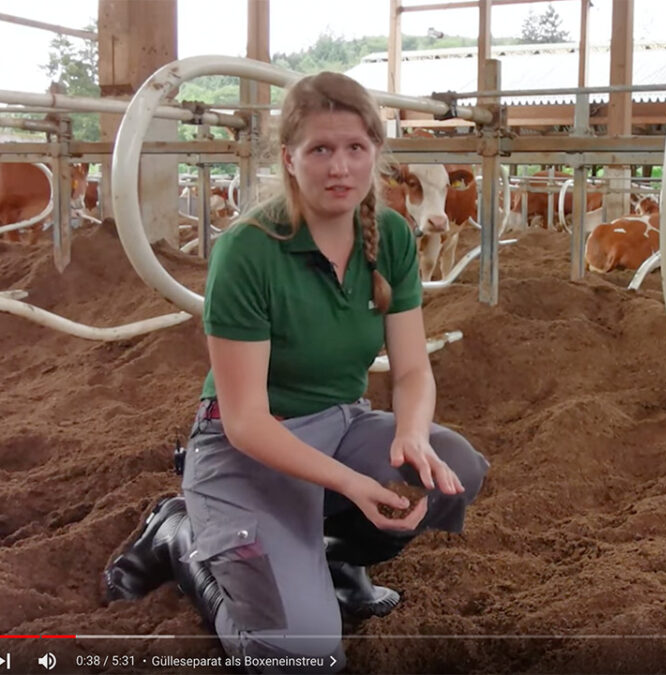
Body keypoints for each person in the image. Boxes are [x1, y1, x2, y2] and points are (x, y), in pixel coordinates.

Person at [102, 71, 490, 673]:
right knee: (302, 656)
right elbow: (247, 421)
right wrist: (350, 482)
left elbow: (412, 370)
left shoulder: (389, 235)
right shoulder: (248, 250)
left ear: (376, 156)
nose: (340, 168)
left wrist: (411, 435)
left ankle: (328, 558)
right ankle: (180, 540)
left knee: (451, 469)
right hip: (249, 447)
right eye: (321, 150)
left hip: (340, 422)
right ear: (289, 158)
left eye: (355, 149)